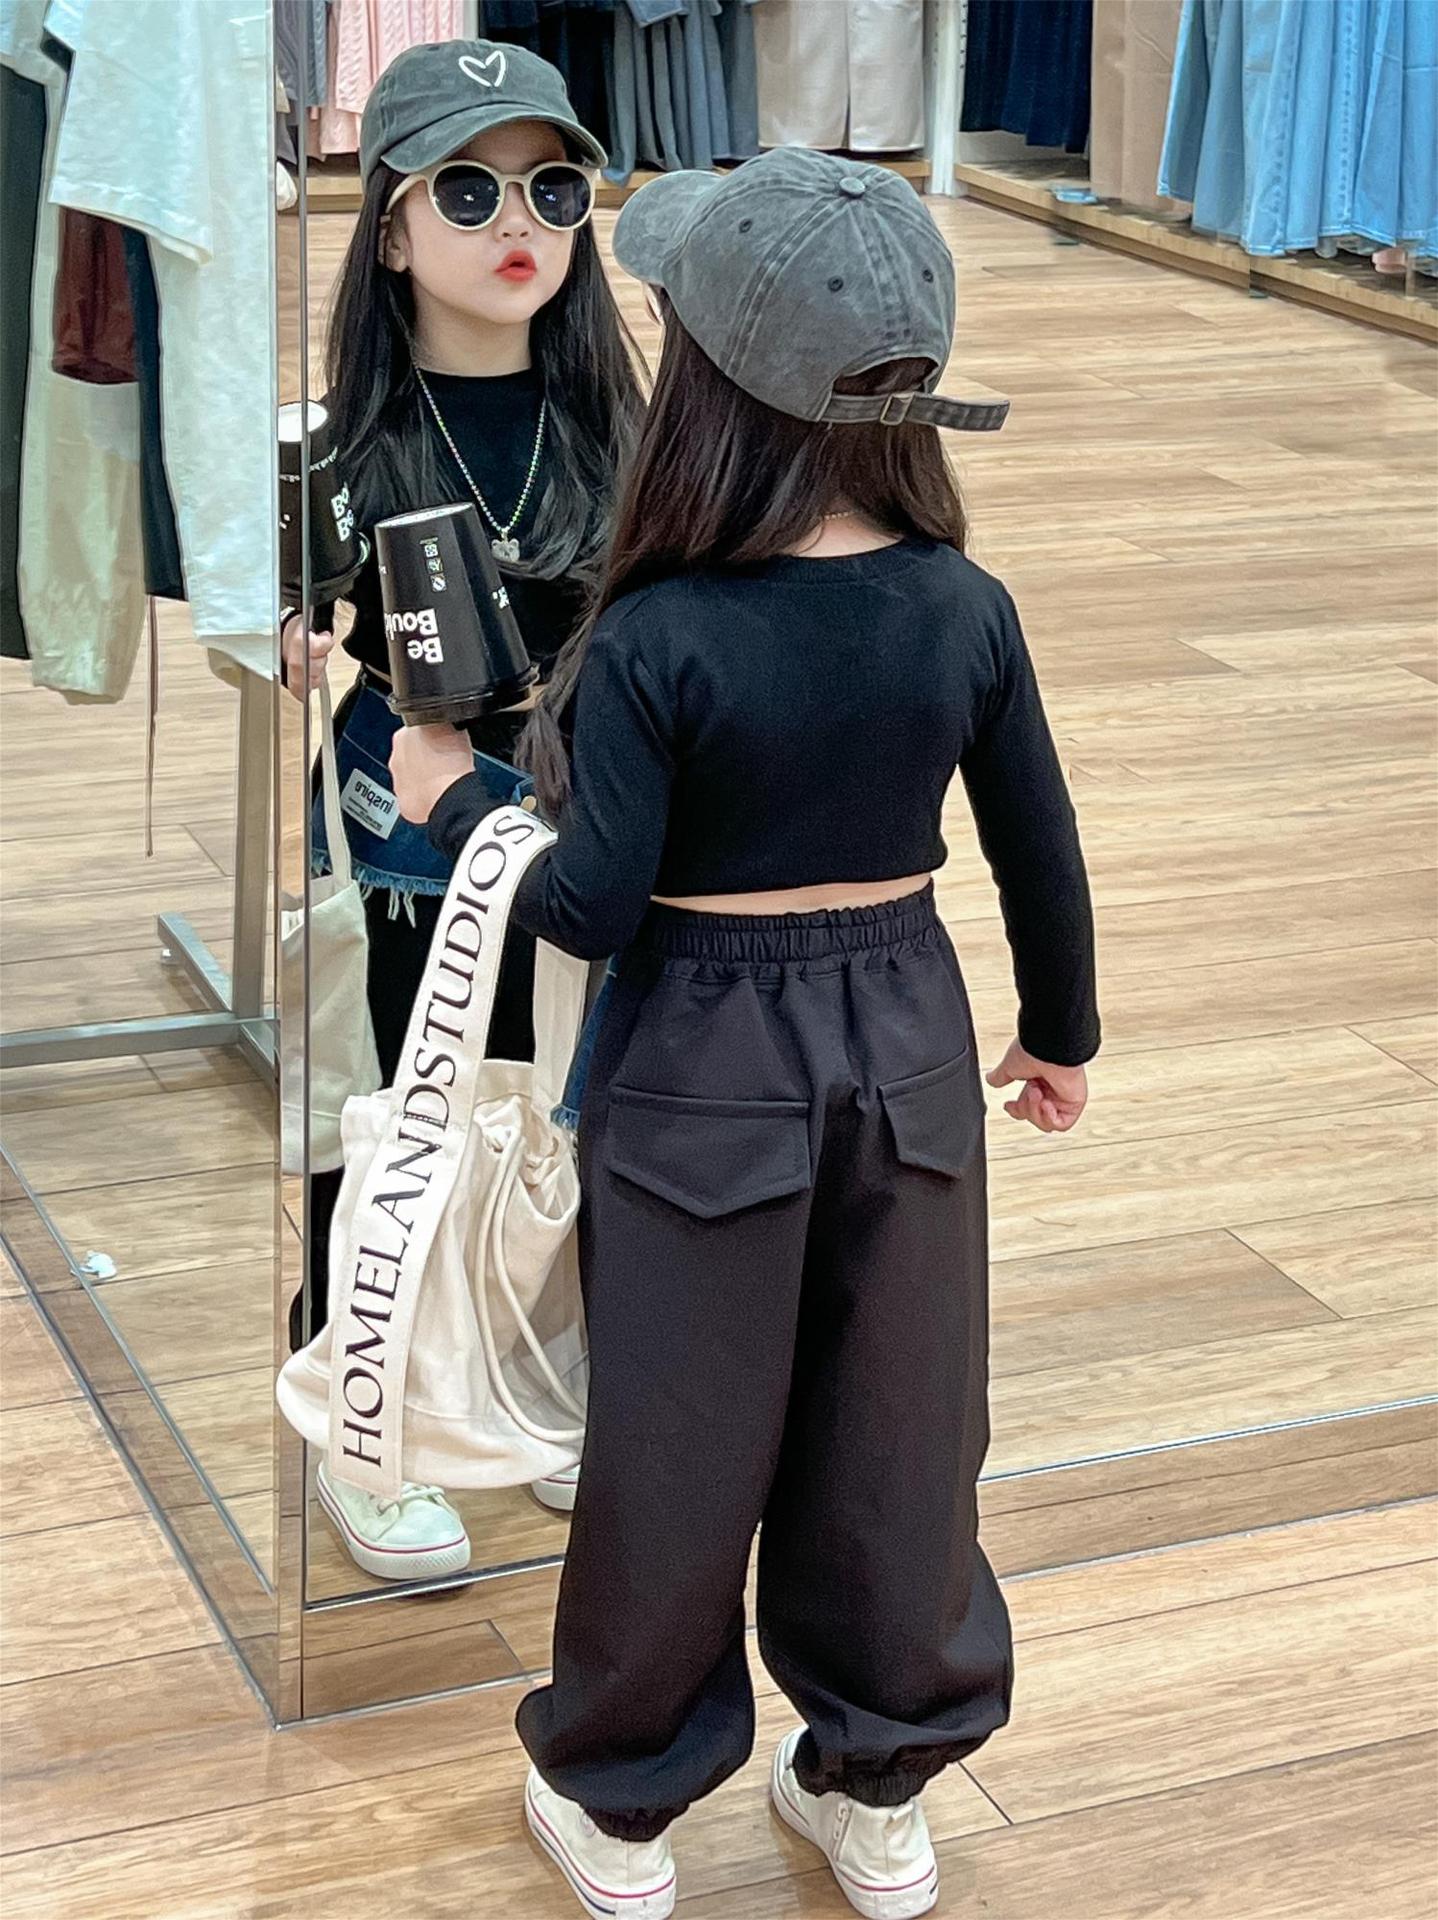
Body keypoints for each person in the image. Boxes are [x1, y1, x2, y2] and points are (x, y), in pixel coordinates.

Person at [393, 148, 1100, 1920]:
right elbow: (1037, 840)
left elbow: (594, 903)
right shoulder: (963, 602)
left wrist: (458, 795)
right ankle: (880, 1785)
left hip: (701, 1055)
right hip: (911, 1029)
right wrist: (1059, 1033)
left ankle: (625, 1802)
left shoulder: (660, 635)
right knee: (901, 1420)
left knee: (680, 1432)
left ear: (703, 390)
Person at [282, 40, 643, 1577]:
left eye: (552, 190)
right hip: (400, 821)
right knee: (391, 1110)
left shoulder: (623, 422)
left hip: (581, 809)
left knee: (560, 1102)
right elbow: (276, 621)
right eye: (471, 189)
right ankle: (360, 1410)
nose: (521, 226)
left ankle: (523, 1367)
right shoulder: (336, 446)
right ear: (391, 227)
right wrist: (281, 634)